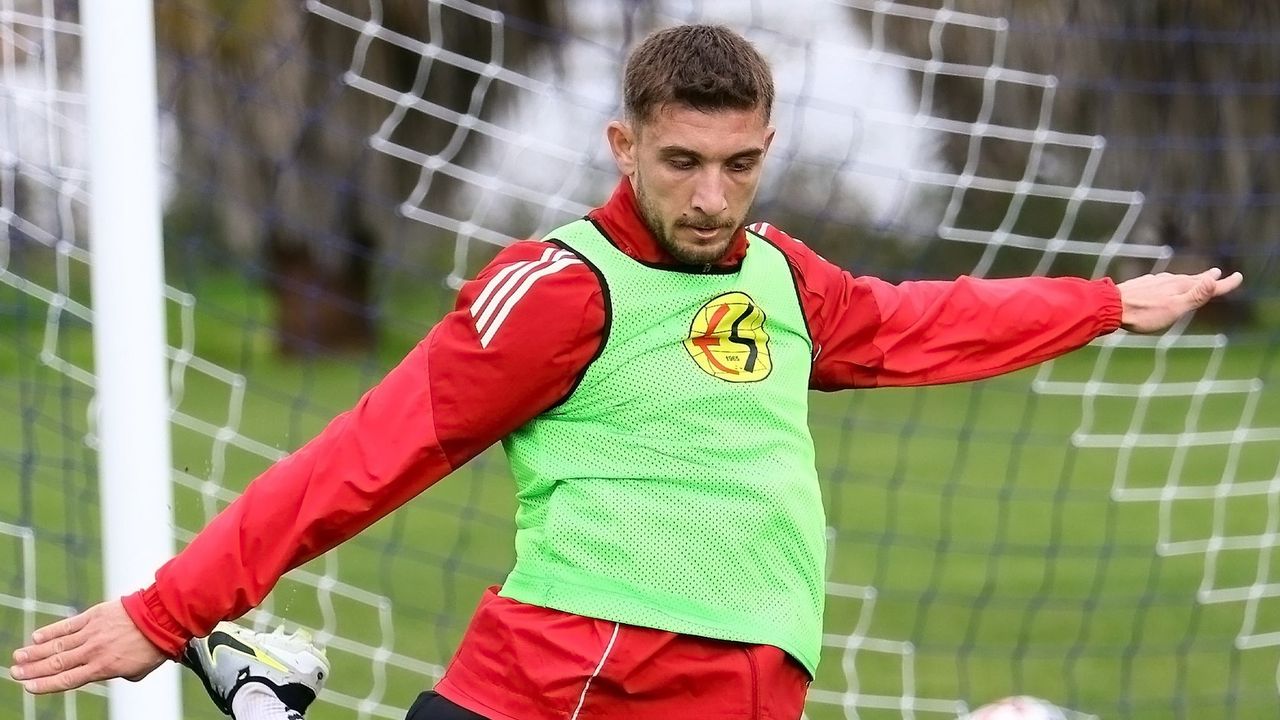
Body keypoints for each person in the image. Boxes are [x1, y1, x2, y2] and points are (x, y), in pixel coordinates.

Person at [9, 23, 1242, 720]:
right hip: (576, 664)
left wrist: (1101, 305)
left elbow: (916, 321)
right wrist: (166, 612)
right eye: (680, 162)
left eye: (738, 164)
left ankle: (267, 692)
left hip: (754, 667)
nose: (710, 196)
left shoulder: (784, 277)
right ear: (622, 144)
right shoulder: (559, 290)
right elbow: (368, 454)